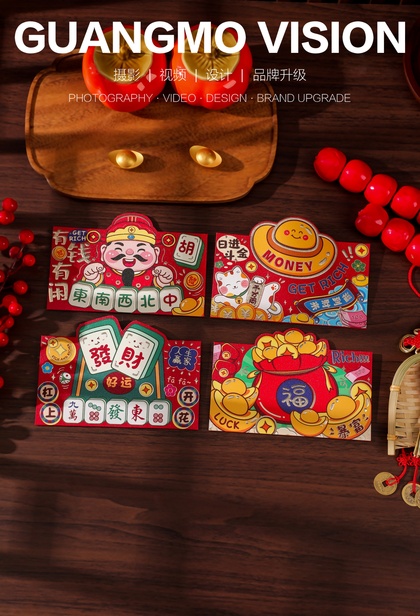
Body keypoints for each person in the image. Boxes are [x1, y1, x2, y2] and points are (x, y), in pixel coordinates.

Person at [83, 213, 173, 288]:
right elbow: (91, 287)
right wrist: (92, 277)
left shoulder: (155, 273)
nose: (129, 253)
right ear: (103, 250)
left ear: (156, 252)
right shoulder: (102, 271)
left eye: (141, 249)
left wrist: (163, 280)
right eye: (118, 248)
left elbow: (164, 291)